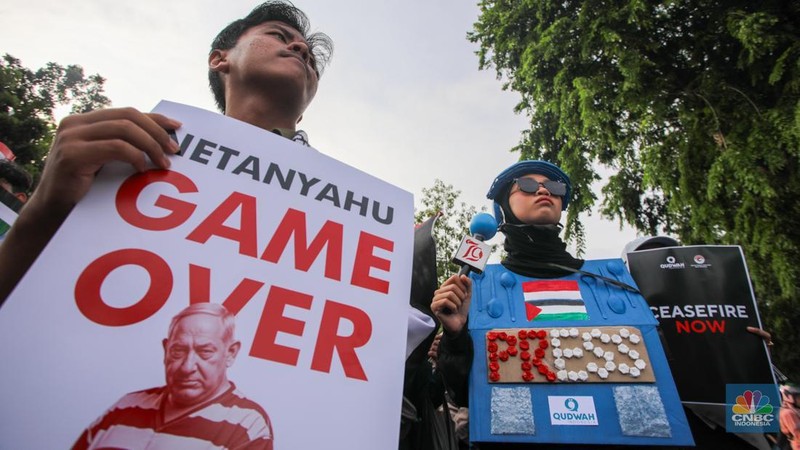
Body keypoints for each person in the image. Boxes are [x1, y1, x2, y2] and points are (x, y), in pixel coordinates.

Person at [0, 0, 333, 304]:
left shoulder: (350, 213)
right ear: (220, 59)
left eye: (311, 60)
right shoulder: (128, 154)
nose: (301, 48)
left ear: (303, 109)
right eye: (278, 35)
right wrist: (46, 211)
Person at [624, 236, 778, 450]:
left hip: (735, 435)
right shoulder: (622, 326)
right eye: (646, 260)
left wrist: (756, 358)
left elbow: (755, 414)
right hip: (664, 431)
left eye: (670, 255)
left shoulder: (725, 314)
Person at [73, 303, 273, 449]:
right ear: (165, 349)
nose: (187, 367)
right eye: (178, 351)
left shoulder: (247, 424)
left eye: (205, 352)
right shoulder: (125, 406)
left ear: (230, 353)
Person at [781, 383, 800, 450]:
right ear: (790, 397)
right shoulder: (788, 413)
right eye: (798, 397)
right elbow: (797, 434)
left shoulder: (795, 409)